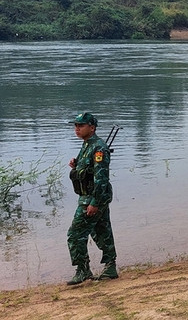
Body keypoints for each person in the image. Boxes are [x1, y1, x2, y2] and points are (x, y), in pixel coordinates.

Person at [66, 112, 118, 285]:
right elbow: (88, 170)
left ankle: (83, 270)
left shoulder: (99, 148)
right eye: (75, 126)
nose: (77, 129)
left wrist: (95, 202)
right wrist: (76, 165)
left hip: (93, 198)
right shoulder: (87, 144)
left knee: (75, 234)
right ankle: (110, 267)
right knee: (102, 231)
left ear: (92, 127)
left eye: (81, 126)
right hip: (90, 196)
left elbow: (101, 178)